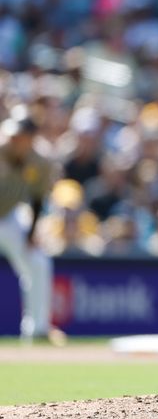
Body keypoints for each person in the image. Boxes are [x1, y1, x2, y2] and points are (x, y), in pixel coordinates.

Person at [0, 113, 66, 345]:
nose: (14, 140)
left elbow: (38, 199)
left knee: (38, 261)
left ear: (30, 138)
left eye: (19, 136)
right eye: (12, 135)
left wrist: (31, 233)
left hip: (8, 217)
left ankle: (37, 329)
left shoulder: (40, 161)